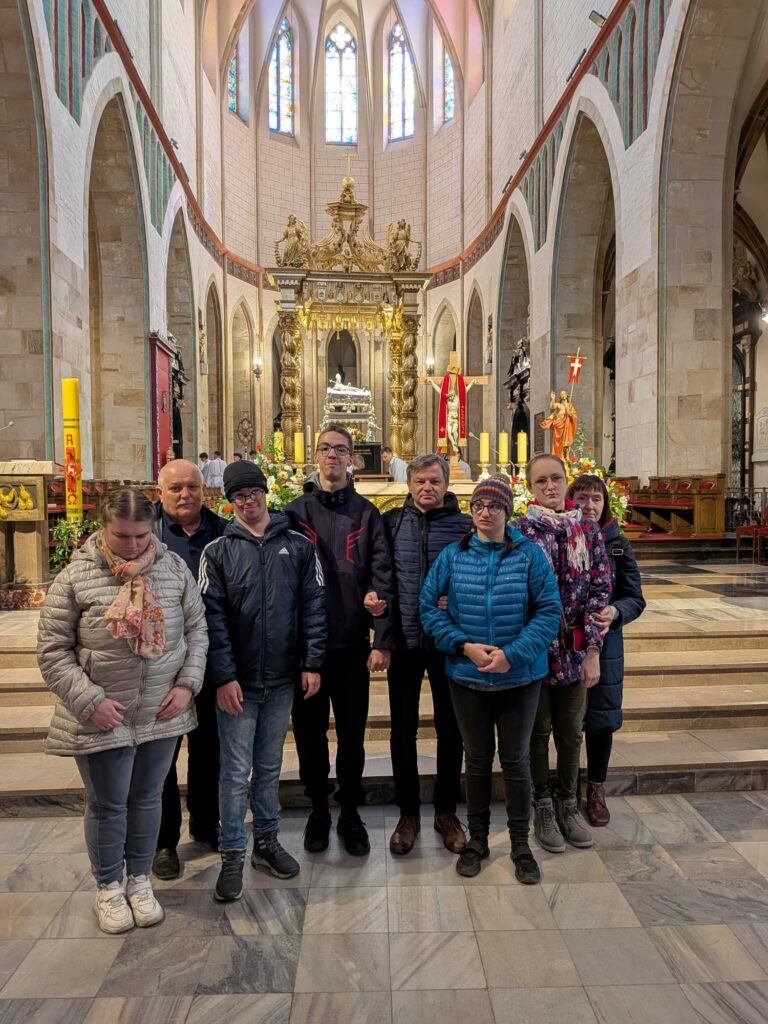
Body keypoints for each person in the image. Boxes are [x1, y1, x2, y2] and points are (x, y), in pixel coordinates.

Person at [37, 489, 208, 934]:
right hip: (102, 714)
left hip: (159, 711)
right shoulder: (76, 577)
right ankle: (109, 888)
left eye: (141, 536)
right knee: (109, 804)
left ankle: (139, 881)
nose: (132, 546)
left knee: (149, 798)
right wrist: (90, 701)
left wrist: (186, 685)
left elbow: (197, 630)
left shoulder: (173, 569)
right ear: (103, 528)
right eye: (122, 536)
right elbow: (53, 651)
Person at [420, 476, 561, 882]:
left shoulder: (530, 555)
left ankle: (520, 844)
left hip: (520, 678)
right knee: (478, 760)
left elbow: (549, 611)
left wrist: (511, 655)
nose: (485, 513)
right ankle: (478, 839)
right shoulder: (453, 555)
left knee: (515, 761)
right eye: (478, 506)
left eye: (494, 506)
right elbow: (428, 607)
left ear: (507, 511)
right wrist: (462, 645)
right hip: (467, 677)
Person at [199, 460, 326, 901]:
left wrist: (312, 663)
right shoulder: (217, 551)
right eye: (239, 495)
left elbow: (314, 606)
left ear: (265, 493)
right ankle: (233, 852)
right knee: (235, 772)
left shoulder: (298, 545)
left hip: (282, 677)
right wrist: (223, 677)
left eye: (253, 492)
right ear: (229, 501)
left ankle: (266, 843)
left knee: (269, 766)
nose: (248, 501)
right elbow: (211, 620)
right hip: (237, 683)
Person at [286, 425, 395, 856]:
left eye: (341, 450)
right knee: (310, 736)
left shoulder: (367, 514)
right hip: (307, 651)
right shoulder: (293, 513)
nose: (333, 455)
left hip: (350, 645)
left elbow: (381, 572)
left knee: (352, 736)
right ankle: (318, 808)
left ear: (353, 459)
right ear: (316, 455)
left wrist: (380, 631)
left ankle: (350, 810)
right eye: (326, 448)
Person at [515, 455, 611, 853]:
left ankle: (568, 804)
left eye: (556, 478)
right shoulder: (518, 532)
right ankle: (542, 805)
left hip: (575, 650)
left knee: (571, 733)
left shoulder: (587, 530)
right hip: (534, 651)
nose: (550, 486)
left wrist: (593, 650)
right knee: (537, 733)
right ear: (530, 486)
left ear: (565, 480)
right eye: (541, 481)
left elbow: (599, 592)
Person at [383, 454, 471, 855]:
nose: (427, 488)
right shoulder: (391, 523)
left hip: (447, 643)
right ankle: (408, 814)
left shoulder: (465, 526)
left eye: (434, 481)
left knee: (451, 728)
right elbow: (380, 577)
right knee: (402, 730)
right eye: (420, 481)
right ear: (409, 484)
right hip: (404, 641)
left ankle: (446, 811)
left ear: (446, 484)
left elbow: (476, 579)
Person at [151, 459, 226, 880]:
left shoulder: (223, 531)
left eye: (192, 487)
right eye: (176, 488)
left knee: (209, 749)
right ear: (159, 493)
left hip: (212, 661)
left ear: (204, 490)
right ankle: (164, 840)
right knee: (163, 756)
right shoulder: (146, 533)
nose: (185, 495)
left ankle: (205, 822)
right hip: (161, 665)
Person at [566, 474, 645, 825]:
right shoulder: (559, 537)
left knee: (600, 719)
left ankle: (596, 788)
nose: (589, 505)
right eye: (582, 498)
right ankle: (565, 789)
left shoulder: (618, 545)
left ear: (605, 504)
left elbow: (635, 598)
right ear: (570, 501)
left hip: (606, 644)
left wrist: (615, 611)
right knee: (565, 722)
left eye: (596, 499)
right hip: (566, 643)